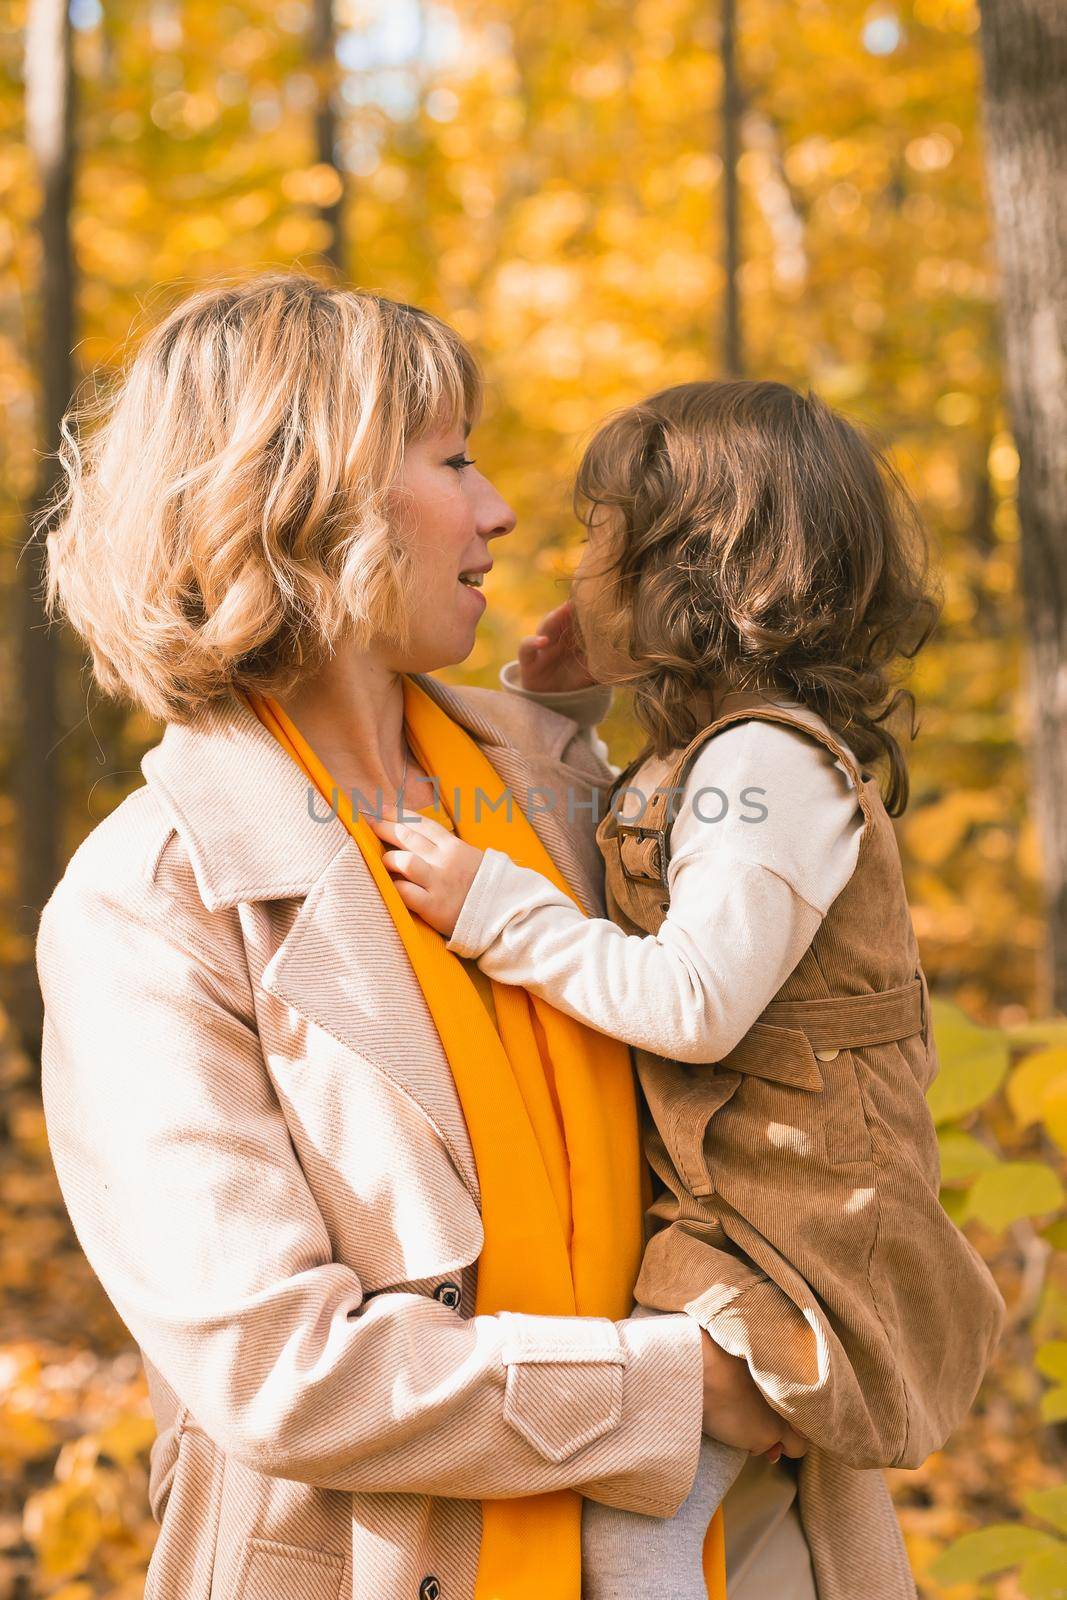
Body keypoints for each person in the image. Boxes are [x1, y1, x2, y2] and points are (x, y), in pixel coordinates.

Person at [33, 276, 803, 1600]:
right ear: (302, 498)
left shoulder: (573, 790)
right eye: (450, 458)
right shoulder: (148, 905)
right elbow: (286, 1377)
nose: (499, 508)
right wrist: (676, 1393)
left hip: (743, 1554)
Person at [371, 379, 1007, 1600]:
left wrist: (497, 909)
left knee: (637, 1514)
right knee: (657, 1507)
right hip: (742, 1197)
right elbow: (625, 858)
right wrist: (559, 705)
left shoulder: (768, 763)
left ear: (690, 573)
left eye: (595, 536)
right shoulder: (716, 758)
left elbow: (691, 999)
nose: (567, 563)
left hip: (798, 1212)